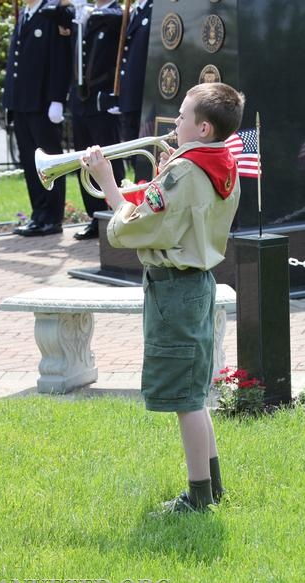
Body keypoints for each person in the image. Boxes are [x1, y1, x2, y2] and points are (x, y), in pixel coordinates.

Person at [80, 82, 245, 514]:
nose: (175, 122)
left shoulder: (186, 171)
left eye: (183, 116)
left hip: (175, 288)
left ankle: (196, 497)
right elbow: (173, 208)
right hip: (196, 284)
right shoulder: (219, 162)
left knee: (185, 400)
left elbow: (135, 226)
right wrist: (161, 178)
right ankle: (212, 487)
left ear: (203, 127)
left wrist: (108, 184)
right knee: (195, 390)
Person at [3, 0, 72, 237]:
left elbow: (59, 59)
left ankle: (52, 218)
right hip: (22, 102)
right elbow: (16, 61)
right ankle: (38, 215)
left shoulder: (51, 13)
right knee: (31, 164)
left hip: (43, 102)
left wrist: (57, 98)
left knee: (49, 161)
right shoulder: (25, 14)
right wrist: (10, 100)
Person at [64, 0, 125, 241]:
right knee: (85, 161)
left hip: (102, 100)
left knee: (108, 160)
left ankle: (116, 212)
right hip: (81, 100)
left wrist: (92, 13)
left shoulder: (113, 14)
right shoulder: (83, 15)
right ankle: (95, 216)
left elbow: (117, 16)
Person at [117, 0, 153, 177]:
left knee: (144, 162)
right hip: (130, 97)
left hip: (144, 98)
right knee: (134, 160)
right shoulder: (137, 10)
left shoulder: (155, 7)